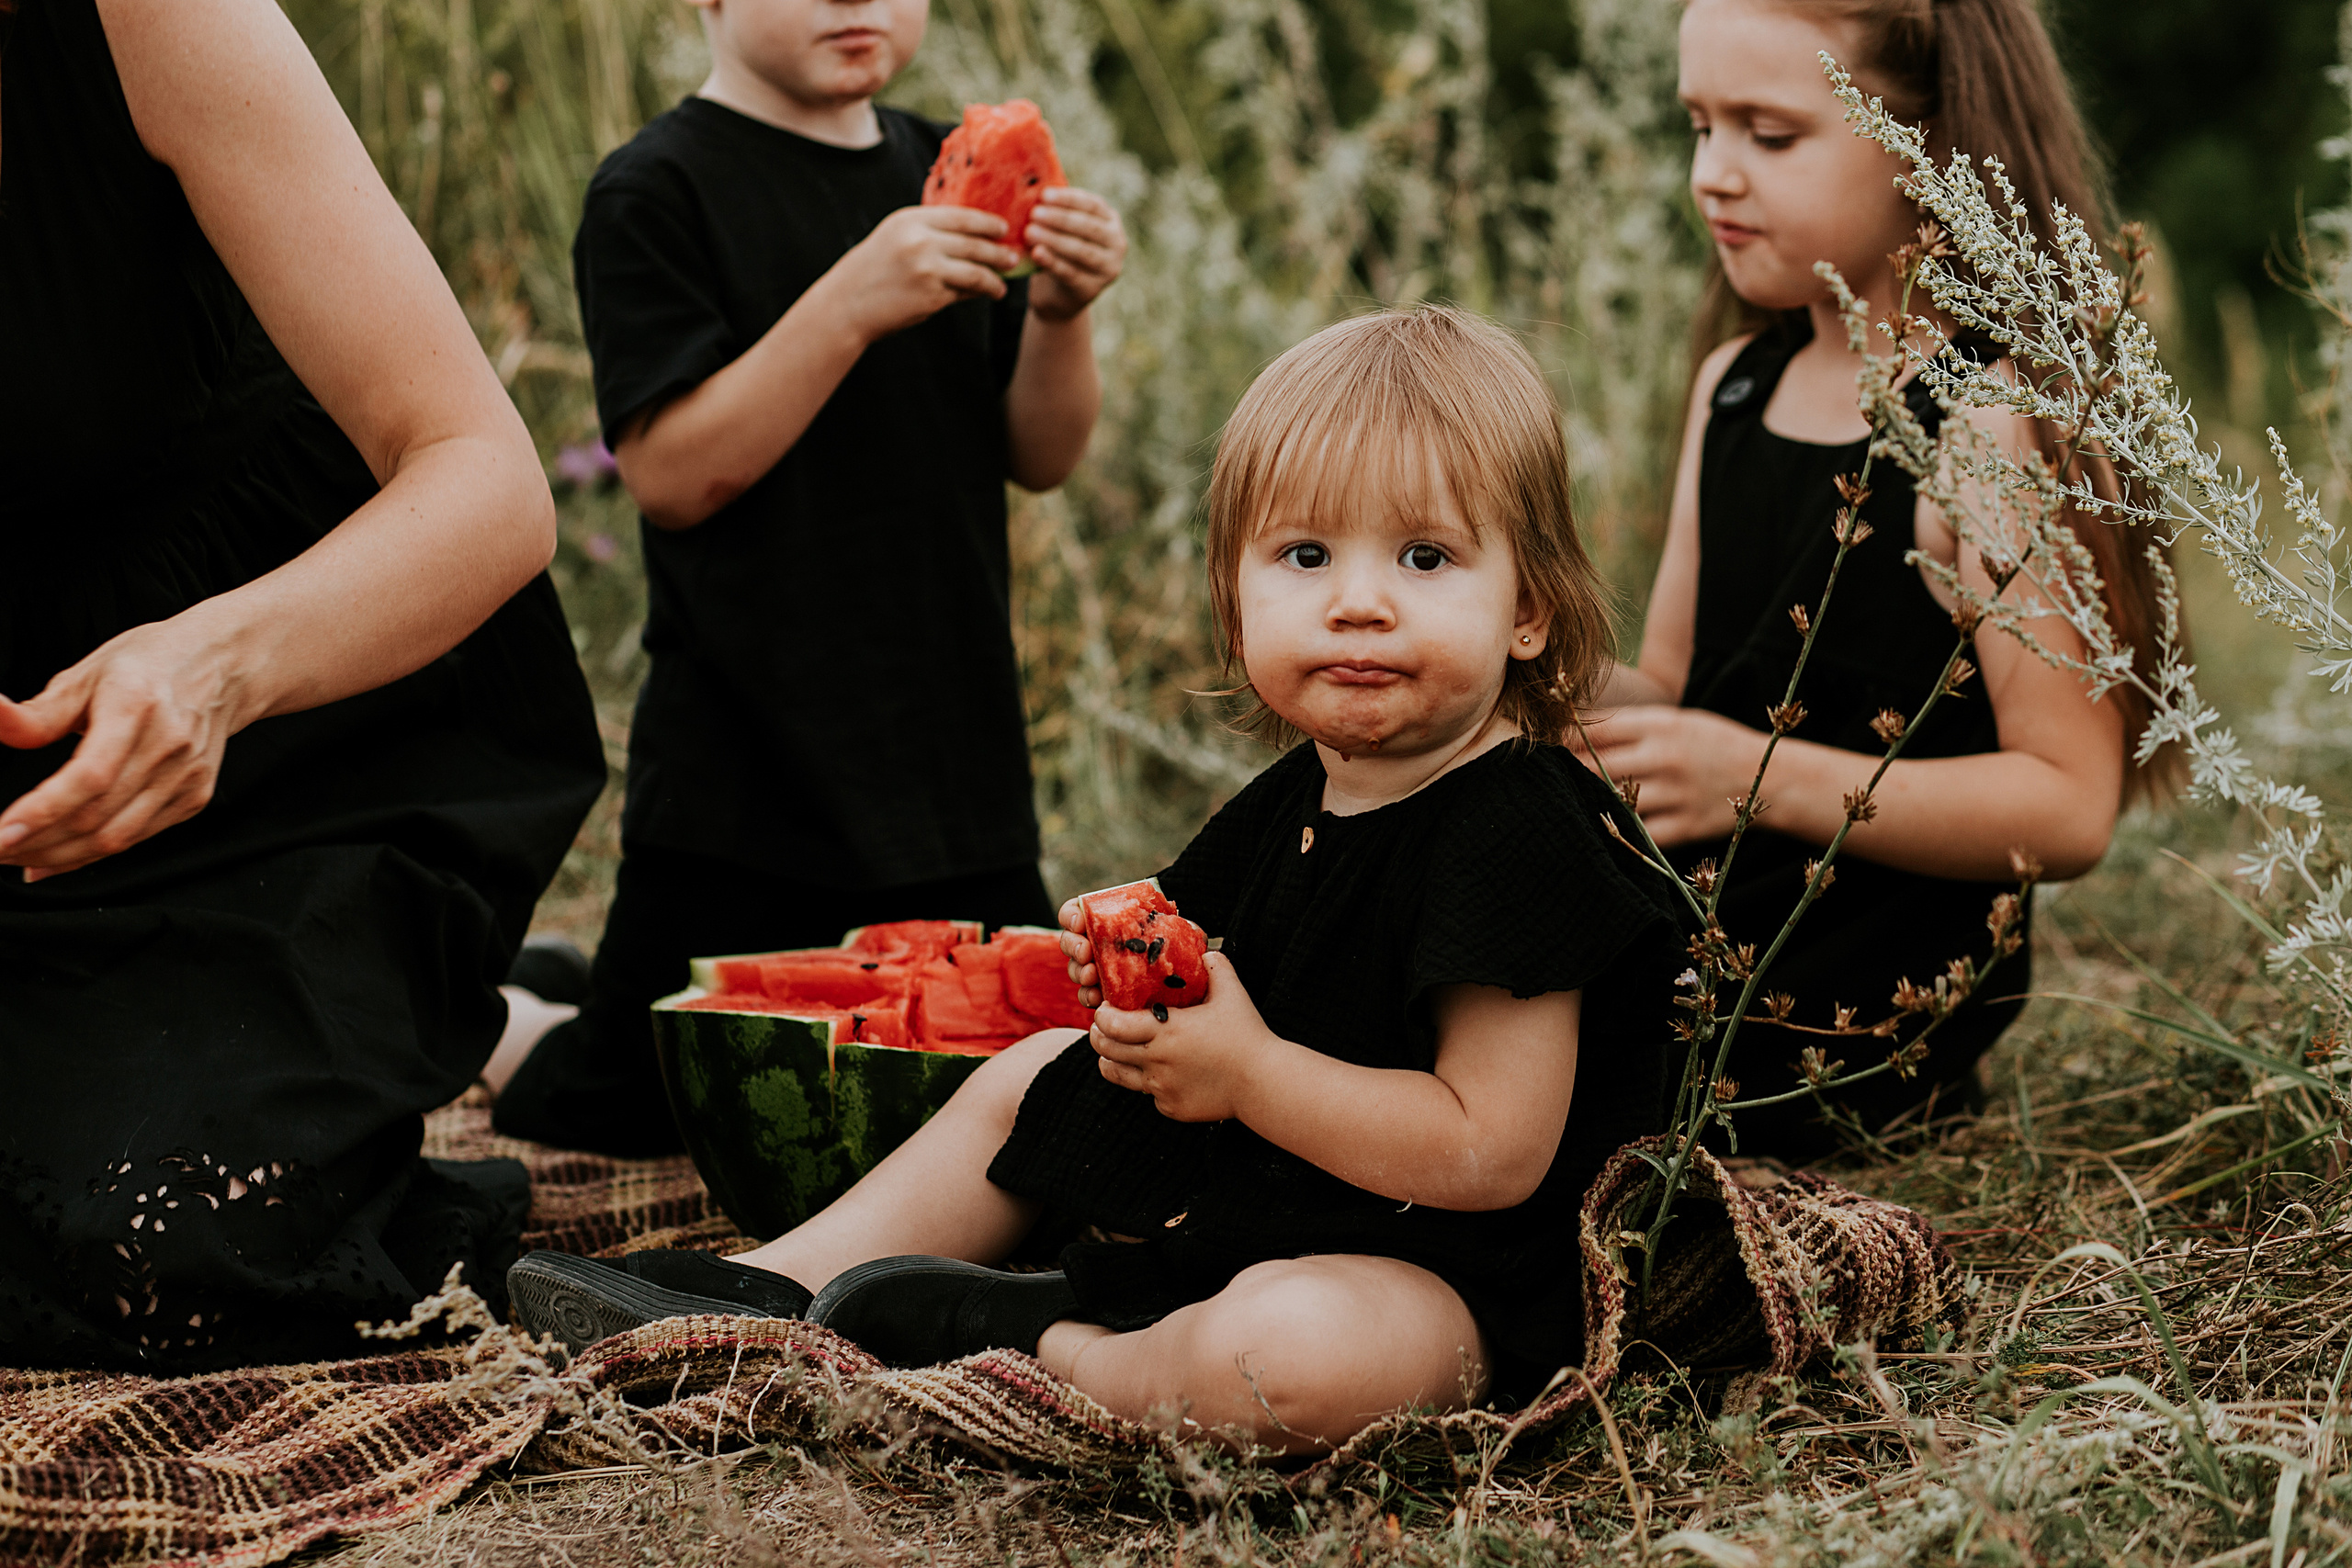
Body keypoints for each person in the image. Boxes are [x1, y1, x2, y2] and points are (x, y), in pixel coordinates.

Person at [506, 307, 1690, 1452]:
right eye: (1305, 554)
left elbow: (1490, 1154)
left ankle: (1036, 1341)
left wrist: (1249, 1073)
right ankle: (769, 1285)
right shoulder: (1304, 796)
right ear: (1237, 600)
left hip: (1458, 1282)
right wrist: (1122, 957)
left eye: (1425, 556)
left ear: (1528, 608)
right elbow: (1198, 935)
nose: (1358, 600)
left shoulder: (1522, 830)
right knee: (1036, 1069)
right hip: (1271, 1198)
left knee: (1293, 1361)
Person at [0, 0, 606, 1370]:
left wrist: (212, 667)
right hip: (24, 797)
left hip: (282, 740)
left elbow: (487, 483)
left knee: (154, 1243)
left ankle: (459, 1013)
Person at [482, 0, 1130, 1156]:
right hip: (742, 782)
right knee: (630, 1105)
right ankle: (508, 1020)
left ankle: (576, 988)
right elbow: (674, 475)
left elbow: (1042, 455)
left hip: (947, 773)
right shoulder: (656, 189)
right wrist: (851, 298)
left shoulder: (946, 169)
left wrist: (1062, 316)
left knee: (1018, 1084)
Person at [1577, 0, 2171, 1161]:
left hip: (1850, 1015)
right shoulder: (1734, 386)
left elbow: (2068, 806)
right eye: (1697, 126)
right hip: (1706, 928)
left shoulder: (1995, 424)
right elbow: (1676, 689)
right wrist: (1520, 670)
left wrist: (1755, 779)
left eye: (1769, 133)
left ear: (1929, 144)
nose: (1712, 175)